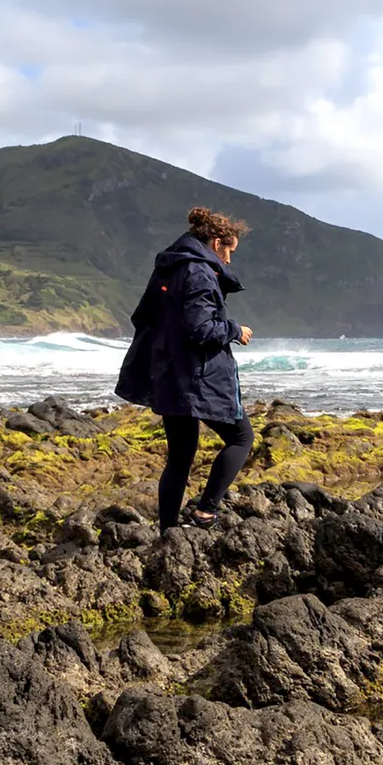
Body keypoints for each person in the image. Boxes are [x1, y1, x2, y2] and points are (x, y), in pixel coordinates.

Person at [116, 207, 256, 530]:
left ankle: (168, 532)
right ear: (217, 242)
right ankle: (206, 511)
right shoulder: (199, 272)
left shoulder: (169, 267)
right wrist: (235, 330)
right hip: (196, 378)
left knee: (179, 457)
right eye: (229, 252)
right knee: (241, 438)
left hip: (168, 373)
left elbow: (144, 317)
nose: (229, 261)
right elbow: (200, 329)